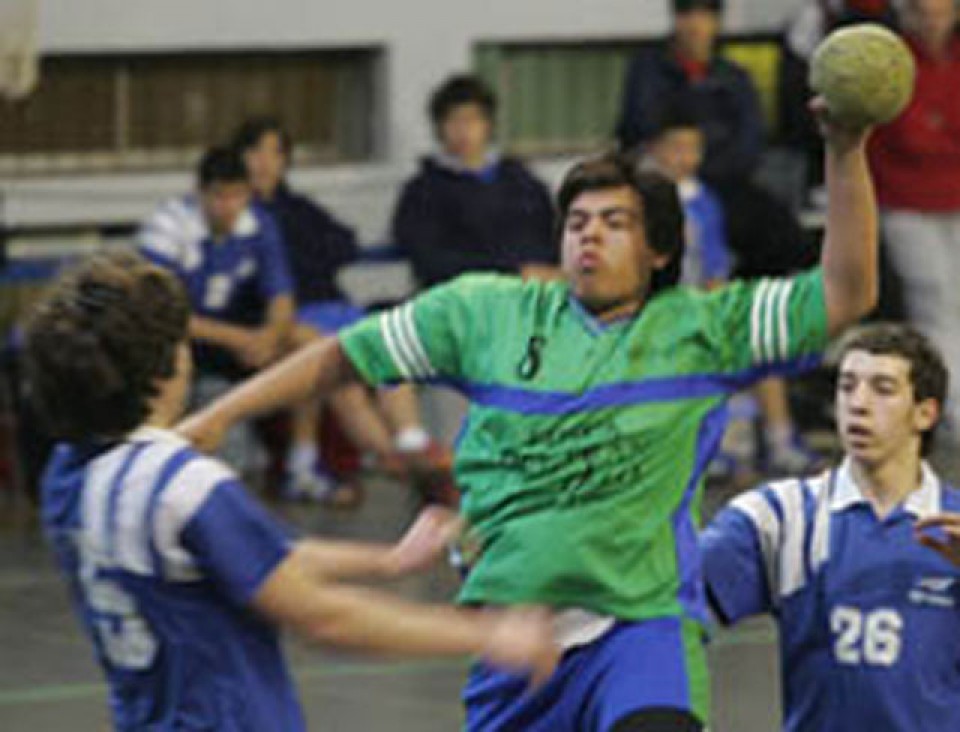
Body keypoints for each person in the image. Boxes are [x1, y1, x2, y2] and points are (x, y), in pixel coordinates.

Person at [179, 97, 878, 731]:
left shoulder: (703, 328)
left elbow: (846, 292)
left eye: (614, 223)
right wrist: (220, 415)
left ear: (659, 249)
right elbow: (345, 357)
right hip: (513, 642)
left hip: (639, 631)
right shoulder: (486, 311)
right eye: (575, 223)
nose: (588, 237)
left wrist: (844, 151)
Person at [25, 251, 558, 731]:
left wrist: (387, 562)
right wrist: (486, 636)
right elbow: (322, 617)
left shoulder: (69, 476)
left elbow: (255, 560)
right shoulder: (179, 484)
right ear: (167, 367)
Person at [701, 323, 960, 731]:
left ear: (925, 412)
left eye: (883, 389)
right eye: (847, 386)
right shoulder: (780, 516)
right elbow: (669, 612)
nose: (858, 403)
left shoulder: (955, 529)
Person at [233, 117, 449, 505]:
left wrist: (309, 255)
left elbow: (343, 242)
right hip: (287, 323)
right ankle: (396, 460)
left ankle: (410, 440)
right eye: (255, 152)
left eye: (275, 152)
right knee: (339, 366)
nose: (264, 162)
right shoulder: (240, 218)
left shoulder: (298, 208)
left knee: (390, 346)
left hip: (334, 308)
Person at [644, 102, 822, 479]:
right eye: (677, 147)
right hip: (652, 314)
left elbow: (714, 269)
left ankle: (780, 441)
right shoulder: (637, 199)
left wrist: (722, 312)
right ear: (655, 148)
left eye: (694, 148)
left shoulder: (702, 200)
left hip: (696, 307)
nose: (687, 158)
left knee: (756, 343)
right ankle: (706, 450)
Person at [136, 145, 295, 477]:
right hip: (174, 340)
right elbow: (159, 313)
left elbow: (281, 295)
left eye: (238, 196)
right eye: (220, 196)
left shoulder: (259, 223)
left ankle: (302, 460)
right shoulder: (167, 228)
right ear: (200, 193)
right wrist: (240, 339)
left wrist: (270, 336)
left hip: (236, 342)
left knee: (311, 344)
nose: (229, 207)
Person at [867, 0, 960, 434]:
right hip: (905, 199)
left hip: (954, 196)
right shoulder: (891, 61)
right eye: (923, 10)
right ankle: (953, 410)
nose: (933, 20)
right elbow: (905, 136)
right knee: (934, 300)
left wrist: (936, 134)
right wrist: (938, 135)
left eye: (941, 9)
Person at [393, 73, 559, 289]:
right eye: (454, 121)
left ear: (488, 125)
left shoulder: (523, 183)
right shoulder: (423, 192)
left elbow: (556, 234)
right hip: (465, 302)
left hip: (537, 294)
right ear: (440, 128)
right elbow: (431, 260)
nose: (463, 131)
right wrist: (513, 272)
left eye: (472, 120)